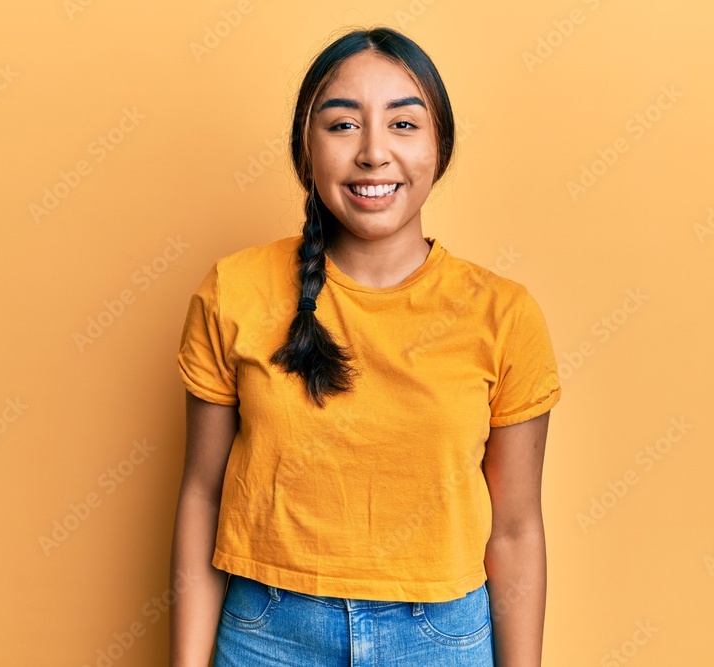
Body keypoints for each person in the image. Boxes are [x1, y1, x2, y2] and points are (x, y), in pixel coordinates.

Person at [170, 26, 562, 667]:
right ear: (307, 146)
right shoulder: (233, 291)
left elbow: (516, 531)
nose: (374, 153)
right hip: (266, 632)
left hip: (441, 639)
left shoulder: (504, 315)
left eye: (404, 125)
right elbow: (201, 494)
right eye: (343, 124)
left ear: (441, 147)